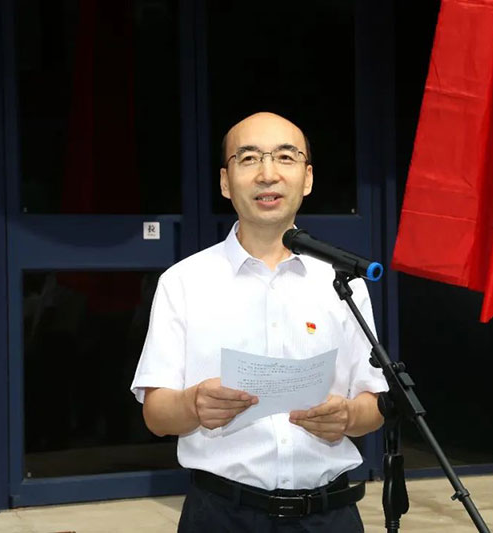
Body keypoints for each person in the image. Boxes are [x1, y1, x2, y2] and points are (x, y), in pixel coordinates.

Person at [130, 112, 387, 532]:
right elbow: (156, 414)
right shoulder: (184, 281)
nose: (268, 175)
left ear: (307, 178)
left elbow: (374, 404)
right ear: (225, 182)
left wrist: (347, 416)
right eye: (249, 158)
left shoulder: (342, 282)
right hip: (220, 515)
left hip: (330, 515)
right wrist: (193, 404)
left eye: (285, 157)